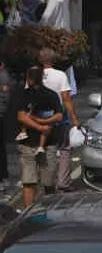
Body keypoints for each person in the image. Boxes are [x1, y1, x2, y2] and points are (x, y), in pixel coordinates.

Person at [14, 66, 63, 207]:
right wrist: (43, 125)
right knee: (48, 183)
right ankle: (49, 210)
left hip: (27, 142)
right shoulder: (52, 94)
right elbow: (59, 115)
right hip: (48, 142)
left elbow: (21, 116)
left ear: (29, 79)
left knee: (29, 182)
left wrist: (38, 124)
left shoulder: (23, 95)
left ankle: (28, 212)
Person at [38, 48, 78, 193]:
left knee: (49, 150)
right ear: (54, 60)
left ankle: (49, 183)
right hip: (60, 118)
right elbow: (66, 98)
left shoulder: (36, 75)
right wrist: (74, 118)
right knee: (65, 148)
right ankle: (63, 182)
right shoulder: (60, 75)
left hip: (41, 119)